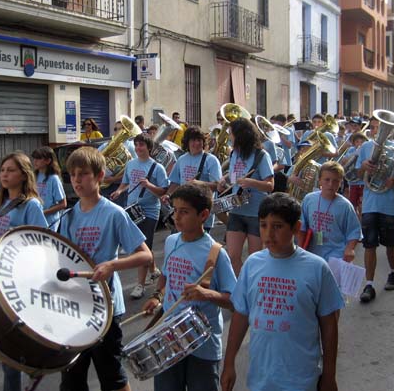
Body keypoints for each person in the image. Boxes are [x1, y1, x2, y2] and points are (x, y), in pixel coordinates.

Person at [220, 193, 344, 391]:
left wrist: (329, 375)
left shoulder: (317, 268)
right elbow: (241, 315)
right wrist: (228, 363)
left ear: (295, 228)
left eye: (277, 226)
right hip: (261, 378)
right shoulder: (252, 264)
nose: (268, 234)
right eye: (263, 225)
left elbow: (329, 325)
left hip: (302, 379)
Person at [59, 146, 151, 391]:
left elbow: (146, 255)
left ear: (100, 176)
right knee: (71, 380)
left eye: (84, 174)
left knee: (112, 377)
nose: (77, 180)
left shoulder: (114, 214)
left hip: (106, 308)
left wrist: (112, 264)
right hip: (75, 307)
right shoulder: (67, 217)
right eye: (73, 175)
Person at [142, 183, 237, 391]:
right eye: (175, 210)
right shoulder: (171, 241)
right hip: (169, 338)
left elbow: (234, 301)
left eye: (184, 212)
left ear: (203, 215)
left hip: (202, 343)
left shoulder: (216, 253)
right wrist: (157, 297)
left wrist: (207, 294)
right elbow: (166, 277)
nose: (176, 217)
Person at [0, 152, 49, 391]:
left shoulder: (31, 205)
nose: (4, 174)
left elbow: (42, 244)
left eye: (10, 170)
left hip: (23, 281)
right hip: (2, 277)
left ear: (23, 175)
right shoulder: (2, 203)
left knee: (12, 347)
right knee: (6, 350)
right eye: (3, 170)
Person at [356, 117, 394, 303]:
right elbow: (357, 174)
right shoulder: (365, 147)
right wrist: (363, 167)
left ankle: (393, 273)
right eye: (376, 127)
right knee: (369, 244)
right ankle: (370, 284)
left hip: (390, 203)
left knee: (391, 243)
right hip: (370, 203)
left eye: (381, 127)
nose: (377, 130)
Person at [110, 133, 169, 299]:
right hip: (133, 209)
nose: (138, 148)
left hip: (150, 211)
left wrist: (149, 185)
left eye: (141, 145)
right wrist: (119, 190)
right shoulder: (130, 164)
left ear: (149, 148)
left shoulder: (157, 168)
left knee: (141, 245)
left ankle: (140, 285)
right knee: (143, 246)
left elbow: (163, 191)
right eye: (136, 145)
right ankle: (153, 270)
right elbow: (126, 181)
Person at [217, 118, 274, 276]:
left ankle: (254, 287)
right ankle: (242, 286)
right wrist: (225, 179)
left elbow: (270, 185)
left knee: (255, 259)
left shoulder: (262, 156)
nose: (229, 137)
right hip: (237, 210)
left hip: (256, 213)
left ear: (241, 135)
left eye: (231, 133)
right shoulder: (235, 153)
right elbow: (235, 175)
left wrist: (251, 182)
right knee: (232, 256)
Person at [296, 161, 362, 262]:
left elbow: (354, 231)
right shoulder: (309, 199)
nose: (331, 184)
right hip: (312, 254)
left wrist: (350, 249)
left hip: (336, 256)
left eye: (335, 181)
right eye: (327, 180)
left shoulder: (345, 206)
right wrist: (300, 250)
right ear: (319, 181)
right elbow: (302, 227)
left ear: (340, 183)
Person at [163, 126, 222, 233]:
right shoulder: (181, 159)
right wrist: (168, 195)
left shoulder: (211, 160)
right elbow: (175, 182)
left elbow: (217, 186)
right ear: (187, 142)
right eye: (193, 140)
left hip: (201, 213)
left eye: (199, 140)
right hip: (182, 212)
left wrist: (198, 183)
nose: (197, 143)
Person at [31, 146, 67, 231]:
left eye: (39, 158)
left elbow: (63, 204)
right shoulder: (34, 176)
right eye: (34, 158)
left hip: (50, 222)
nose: (35, 161)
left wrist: (44, 213)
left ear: (48, 161)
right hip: (35, 221)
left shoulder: (53, 179)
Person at [343, 132, 368, 219]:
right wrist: (355, 153)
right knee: (353, 205)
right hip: (353, 182)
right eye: (357, 142)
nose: (359, 144)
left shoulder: (366, 151)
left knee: (362, 206)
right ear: (354, 143)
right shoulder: (351, 150)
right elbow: (344, 161)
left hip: (363, 182)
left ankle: (362, 224)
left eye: (362, 142)